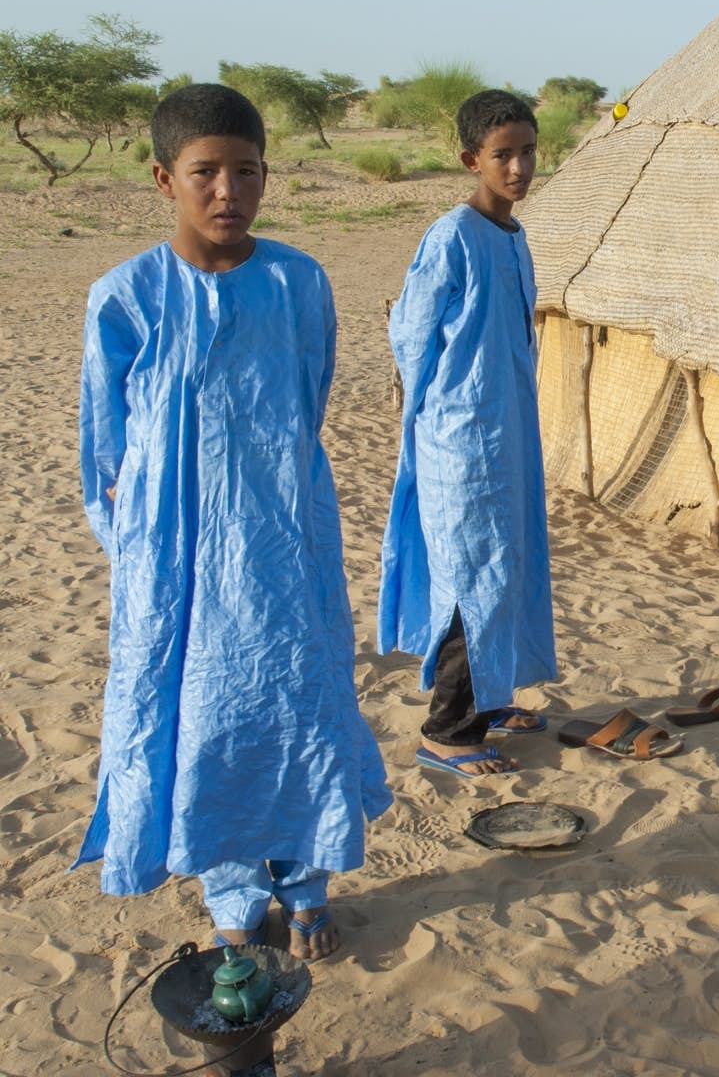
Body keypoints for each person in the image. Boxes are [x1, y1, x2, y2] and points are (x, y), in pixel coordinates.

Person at [76, 84, 391, 960]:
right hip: (175, 567)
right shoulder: (125, 296)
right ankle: (233, 893)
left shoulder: (298, 281)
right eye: (205, 173)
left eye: (245, 172)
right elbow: (103, 454)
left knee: (299, 709)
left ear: (265, 175)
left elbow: (307, 402)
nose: (227, 192)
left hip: (286, 551)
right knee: (203, 723)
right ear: (162, 178)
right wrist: (145, 560)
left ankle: (307, 884)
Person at [379, 90, 558, 780]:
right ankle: (447, 730)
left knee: (505, 567)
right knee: (469, 576)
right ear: (471, 160)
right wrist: (440, 412)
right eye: (503, 155)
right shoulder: (453, 235)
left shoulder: (514, 237)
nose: (518, 167)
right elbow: (412, 334)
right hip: (461, 439)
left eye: (527, 152)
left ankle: (489, 701)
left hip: (507, 433)